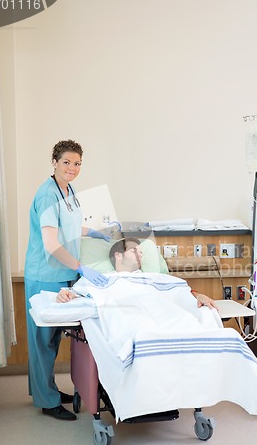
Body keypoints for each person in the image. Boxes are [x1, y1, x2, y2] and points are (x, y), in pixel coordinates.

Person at [24, 139, 110, 421]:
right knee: (43, 341)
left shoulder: (68, 189)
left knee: (53, 339)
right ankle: (46, 400)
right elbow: (51, 243)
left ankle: (44, 389)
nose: (72, 169)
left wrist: (95, 230)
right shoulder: (48, 194)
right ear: (54, 162)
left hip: (64, 275)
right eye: (66, 163)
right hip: (45, 275)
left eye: (77, 164)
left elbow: (70, 225)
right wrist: (82, 267)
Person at [57, 237, 218, 310]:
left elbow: (174, 290)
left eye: (141, 252)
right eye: (134, 251)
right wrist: (66, 294)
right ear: (118, 255)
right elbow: (79, 294)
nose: (140, 254)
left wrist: (197, 296)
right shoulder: (104, 278)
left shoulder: (150, 277)